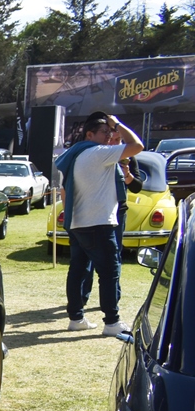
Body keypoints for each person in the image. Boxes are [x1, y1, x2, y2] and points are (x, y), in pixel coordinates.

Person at [55, 111, 143, 336]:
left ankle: (76, 318)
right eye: (105, 132)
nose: (109, 135)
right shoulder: (97, 153)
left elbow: (65, 191)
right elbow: (137, 145)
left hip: (78, 222)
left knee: (78, 270)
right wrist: (119, 123)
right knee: (110, 272)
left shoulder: (74, 154)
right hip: (98, 224)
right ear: (90, 134)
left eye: (111, 131)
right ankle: (112, 322)